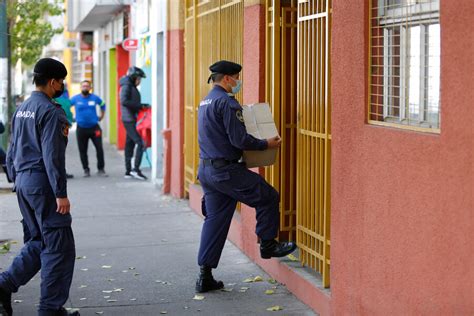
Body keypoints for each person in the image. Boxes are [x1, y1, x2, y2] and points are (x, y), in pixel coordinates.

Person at [195, 60, 297, 293]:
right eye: (236, 78)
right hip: (227, 172)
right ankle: (268, 244)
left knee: (215, 220)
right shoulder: (227, 103)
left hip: (208, 170)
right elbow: (239, 140)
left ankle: (205, 275)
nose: (238, 82)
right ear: (228, 79)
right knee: (269, 196)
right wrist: (266, 144)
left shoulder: (205, 101)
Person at [0, 58, 78, 316]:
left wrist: (16, 179)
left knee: (38, 241)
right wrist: (60, 193)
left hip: (23, 182)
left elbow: (11, 148)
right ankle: (50, 310)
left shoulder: (22, 108)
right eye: (61, 82)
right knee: (58, 246)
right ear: (53, 82)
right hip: (42, 184)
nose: (62, 86)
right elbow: (52, 156)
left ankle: (3, 285)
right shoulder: (51, 112)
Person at [70, 80, 107, 177]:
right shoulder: (75, 99)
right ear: (80, 88)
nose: (85, 88)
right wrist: (70, 118)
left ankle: (101, 169)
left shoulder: (94, 98)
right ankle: (86, 169)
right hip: (81, 129)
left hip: (95, 128)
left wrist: (102, 116)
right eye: (83, 86)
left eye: (87, 86)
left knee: (99, 148)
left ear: (90, 88)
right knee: (82, 150)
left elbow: (103, 104)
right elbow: (66, 107)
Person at [119, 66, 149, 180]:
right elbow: (124, 101)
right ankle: (135, 169)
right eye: (139, 78)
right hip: (129, 119)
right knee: (140, 143)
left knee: (129, 144)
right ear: (133, 77)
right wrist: (140, 106)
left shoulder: (129, 85)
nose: (139, 81)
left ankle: (128, 171)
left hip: (131, 118)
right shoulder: (126, 86)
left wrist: (141, 106)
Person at [54, 87, 74, 179]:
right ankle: (58, 173)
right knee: (57, 151)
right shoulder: (53, 95)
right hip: (58, 125)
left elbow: (67, 108)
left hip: (64, 125)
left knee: (61, 150)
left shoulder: (65, 93)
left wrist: (69, 121)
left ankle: (61, 171)